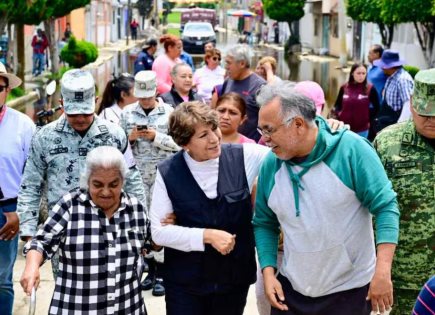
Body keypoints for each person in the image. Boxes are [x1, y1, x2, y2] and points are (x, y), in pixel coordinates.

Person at [253, 81, 399, 315]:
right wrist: (268, 273)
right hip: (291, 289)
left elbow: (386, 207)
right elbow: (264, 223)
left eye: (269, 130)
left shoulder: (352, 150)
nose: (264, 139)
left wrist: (383, 271)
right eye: (262, 131)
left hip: (348, 291)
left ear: (298, 124)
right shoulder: (272, 163)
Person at [17, 69, 146, 277]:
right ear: (61, 103)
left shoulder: (114, 135)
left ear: (95, 101)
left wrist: (142, 226)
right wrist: (29, 234)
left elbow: (132, 179)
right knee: (71, 297)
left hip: (112, 230)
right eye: (73, 113)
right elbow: (30, 185)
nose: (80, 119)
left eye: (85, 112)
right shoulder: (44, 138)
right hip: (64, 234)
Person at [150, 101, 270, 315]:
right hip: (186, 284)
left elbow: (286, 151)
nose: (214, 139)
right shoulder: (168, 172)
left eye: (214, 129)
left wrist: (325, 127)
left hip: (232, 281)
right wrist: (206, 235)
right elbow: (159, 233)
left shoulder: (245, 156)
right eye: (203, 135)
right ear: (184, 143)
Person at [20, 146, 150, 315]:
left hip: (127, 306)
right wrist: (31, 266)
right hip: (76, 308)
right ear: (87, 180)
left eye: (113, 184)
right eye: (97, 184)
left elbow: (151, 241)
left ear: (123, 181)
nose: (105, 192)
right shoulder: (70, 205)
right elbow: (42, 242)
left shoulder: (136, 209)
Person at [373, 68, 435, 315]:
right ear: (411, 104)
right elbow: (369, 209)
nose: (431, 120)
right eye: (424, 112)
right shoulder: (388, 143)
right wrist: (379, 270)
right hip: (404, 280)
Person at [120, 70, 179, 297]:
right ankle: (149, 269)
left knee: (161, 222)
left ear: (156, 92)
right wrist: (131, 138)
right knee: (141, 221)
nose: (144, 101)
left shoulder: (169, 113)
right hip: (135, 177)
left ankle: (163, 272)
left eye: (148, 96)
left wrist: (157, 137)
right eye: (141, 96)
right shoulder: (127, 114)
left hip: (162, 176)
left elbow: (178, 144)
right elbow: (117, 144)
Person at [0, 62, 35, 315]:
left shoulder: (23, 125)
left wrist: (20, 213)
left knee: (2, 280)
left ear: (7, 90)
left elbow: (32, 176)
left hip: (8, 212)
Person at [223, 44, 266, 142]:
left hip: (250, 147)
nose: (226, 67)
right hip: (228, 144)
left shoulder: (260, 87)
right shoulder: (228, 81)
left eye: (229, 63)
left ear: (242, 64)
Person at [333, 63, 380, 138]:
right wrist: (339, 115)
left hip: (362, 130)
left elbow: (377, 107)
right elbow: (337, 105)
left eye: (363, 73)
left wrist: (367, 118)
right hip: (344, 129)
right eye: (358, 73)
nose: (361, 76)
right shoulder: (344, 87)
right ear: (352, 73)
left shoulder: (370, 88)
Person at [373, 50, 414, 133]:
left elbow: (408, 104)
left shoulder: (402, 80)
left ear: (390, 66)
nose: (381, 68)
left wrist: (398, 128)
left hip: (395, 122)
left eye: (383, 66)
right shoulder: (391, 76)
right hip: (387, 118)